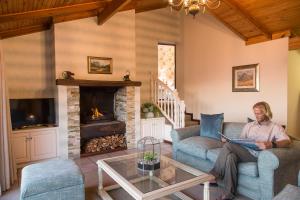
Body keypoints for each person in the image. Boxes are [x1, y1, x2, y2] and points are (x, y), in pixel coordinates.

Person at [210, 101, 291, 200]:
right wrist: (229, 140)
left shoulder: (275, 127)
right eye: (255, 113)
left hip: (257, 155)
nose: (256, 116)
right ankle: (229, 194)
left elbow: (287, 141)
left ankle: (214, 174)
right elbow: (241, 139)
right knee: (231, 157)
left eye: (259, 113)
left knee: (228, 146)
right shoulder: (249, 125)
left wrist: (272, 144)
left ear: (267, 112)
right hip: (244, 151)